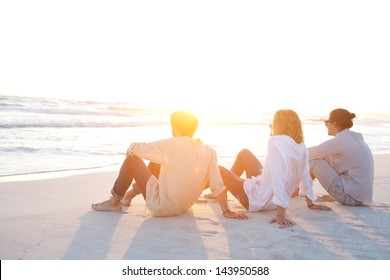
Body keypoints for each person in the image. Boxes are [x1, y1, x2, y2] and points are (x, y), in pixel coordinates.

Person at [92, 110, 248, 220]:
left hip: (162, 206)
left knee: (132, 161)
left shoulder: (171, 144)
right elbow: (217, 184)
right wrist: (226, 210)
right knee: (156, 163)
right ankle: (129, 196)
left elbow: (140, 150)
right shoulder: (209, 151)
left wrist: (131, 148)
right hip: (184, 205)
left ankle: (114, 201)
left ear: (175, 128)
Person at [215, 109, 331, 227]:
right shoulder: (301, 145)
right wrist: (310, 202)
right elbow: (305, 175)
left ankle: (219, 190)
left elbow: (278, 177)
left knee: (217, 168)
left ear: (279, 123)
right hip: (272, 199)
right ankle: (222, 189)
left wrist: (280, 215)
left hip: (256, 200)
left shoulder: (275, 141)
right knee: (244, 153)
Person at [308, 108, 374, 206]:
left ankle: (295, 190)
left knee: (312, 160)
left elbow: (308, 153)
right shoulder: (354, 138)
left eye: (327, 122)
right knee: (321, 157)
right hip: (360, 196)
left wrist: (288, 150)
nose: (326, 125)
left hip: (350, 197)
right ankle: (297, 189)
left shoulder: (342, 140)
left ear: (334, 124)